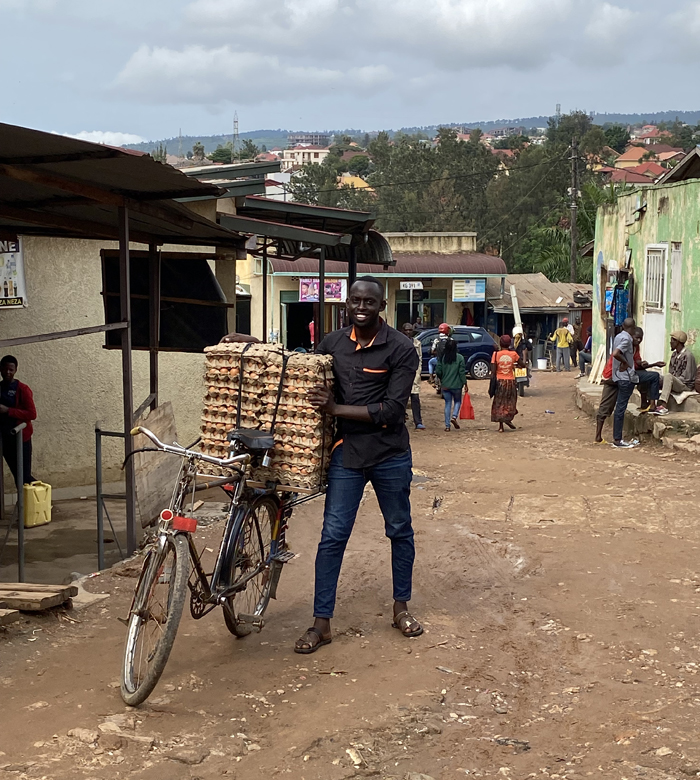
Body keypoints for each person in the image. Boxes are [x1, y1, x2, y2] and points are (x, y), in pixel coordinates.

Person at [296, 276, 422, 654]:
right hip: (346, 454)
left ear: (382, 306)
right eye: (355, 302)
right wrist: (251, 345)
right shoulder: (333, 344)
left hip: (389, 455)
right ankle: (322, 622)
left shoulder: (401, 349)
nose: (361, 308)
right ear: (346, 305)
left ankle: (401, 608)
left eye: (369, 302)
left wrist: (335, 408)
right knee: (332, 536)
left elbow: (392, 411)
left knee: (399, 530)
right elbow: (301, 367)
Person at [0, 355, 37, 486]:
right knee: (17, 474)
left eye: (10, 369)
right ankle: (23, 503)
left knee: (24, 475)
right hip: (5, 438)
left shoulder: (22, 389)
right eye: (4, 369)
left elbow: (32, 414)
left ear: (16, 370)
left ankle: (40, 499)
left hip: (21, 438)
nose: (7, 372)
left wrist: (8, 410)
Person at [651, 331, 698, 416]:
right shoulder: (674, 355)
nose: (670, 342)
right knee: (654, 376)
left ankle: (663, 406)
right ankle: (651, 404)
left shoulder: (688, 356)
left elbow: (687, 378)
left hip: (685, 385)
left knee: (668, 377)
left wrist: (672, 379)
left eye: (672, 340)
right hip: (675, 381)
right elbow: (671, 372)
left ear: (678, 342)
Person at [611, 317, 639, 448]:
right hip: (625, 377)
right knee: (621, 408)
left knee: (619, 408)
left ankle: (617, 438)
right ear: (632, 328)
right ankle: (617, 439)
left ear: (622, 326)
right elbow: (616, 353)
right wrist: (625, 362)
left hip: (617, 375)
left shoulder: (618, 336)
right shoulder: (627, 339)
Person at [491, 335, 522, 432]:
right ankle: (507, 419)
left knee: (499, 403)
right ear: (509, 344)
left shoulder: (495, 354)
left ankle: (501, 427)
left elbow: (493, 370)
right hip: (511, 382)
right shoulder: (514, 354)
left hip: (500, 381)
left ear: (500, 343)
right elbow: (522, 364)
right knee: (510, 402)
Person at [436, 337, 466, 432]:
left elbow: (438, 371)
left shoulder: (443, 358)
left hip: (445, 385)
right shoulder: (460, 358)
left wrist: (441, 379)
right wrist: (465, 383)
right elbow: (462, 373)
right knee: (457, 401)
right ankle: (454, 416)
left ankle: (447, 426)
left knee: (447, 403)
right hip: (457, 385)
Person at [632, 327, 664, 413]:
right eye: (636, 337)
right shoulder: (628, 346)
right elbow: (632, 365)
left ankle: (644, 403)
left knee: (646, 374)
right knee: (655, 376)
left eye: (640, 338)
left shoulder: (636, 346)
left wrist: (643, 363)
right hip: (628, 373)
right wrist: (653, 364)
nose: (639, 340)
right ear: (631, 336)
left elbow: (637, 360)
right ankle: (652, 404)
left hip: (633, 370)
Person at [402, 322, 425, 430]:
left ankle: (418, 422)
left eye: (410, 330)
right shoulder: (399, 343)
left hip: (414, 374)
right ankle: (401, 420)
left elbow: (419, 359)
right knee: (401, 399)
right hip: (402, 375)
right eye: (406, 330)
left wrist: (418, 372)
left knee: (415, 398)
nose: (408, 332)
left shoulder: (417, 343)